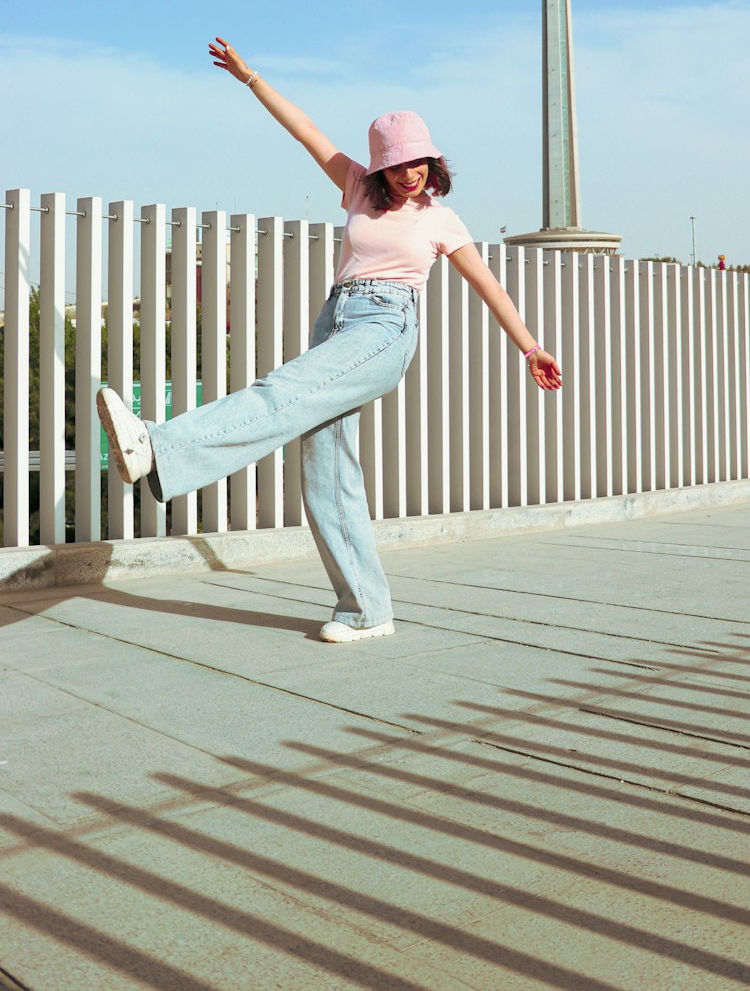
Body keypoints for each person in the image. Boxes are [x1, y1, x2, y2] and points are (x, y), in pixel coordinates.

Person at [97, 36, 561, 645]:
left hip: (384, 329)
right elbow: (305, 130)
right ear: (380, 166)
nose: (409, 172)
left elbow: (488, 286)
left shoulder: (441, 219)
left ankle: (158, 446)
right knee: (325, 470)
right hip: (336, 320)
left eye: (417, 161)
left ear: (432, 162)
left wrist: (529, 346)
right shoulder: (358, 189)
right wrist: (251, 78)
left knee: (279, 392)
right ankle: (367, 609)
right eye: (396, 164)